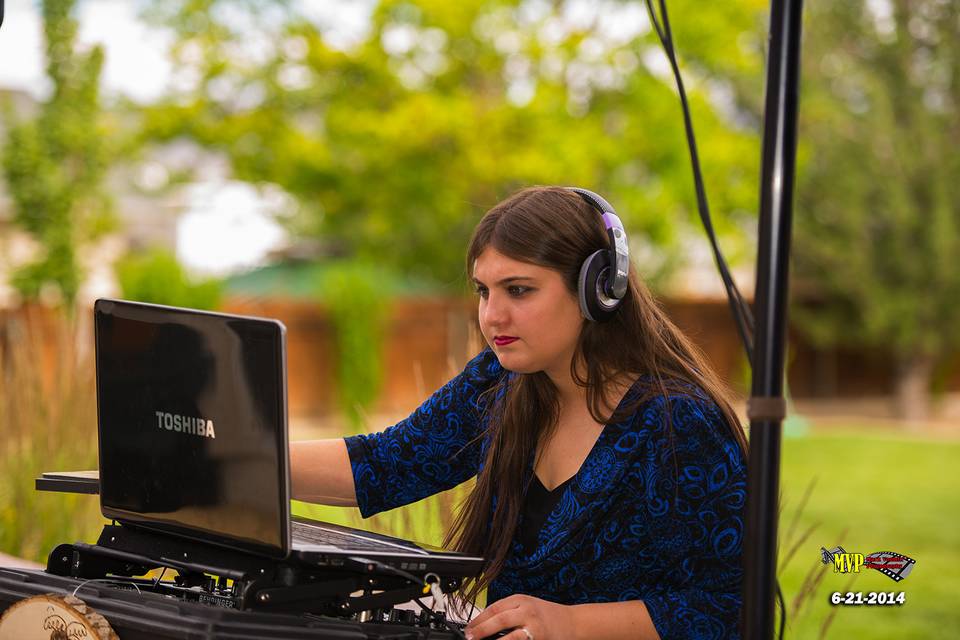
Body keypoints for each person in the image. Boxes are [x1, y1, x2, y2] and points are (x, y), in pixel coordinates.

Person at [291, 186, 748, 640]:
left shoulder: (679, 424)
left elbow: (731, 606)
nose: (491, 316)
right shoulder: (497, 383)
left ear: (599, 289)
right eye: (483, 292)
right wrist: (238, 458)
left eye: (518, 290)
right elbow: (386, 463)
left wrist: (569, 625)